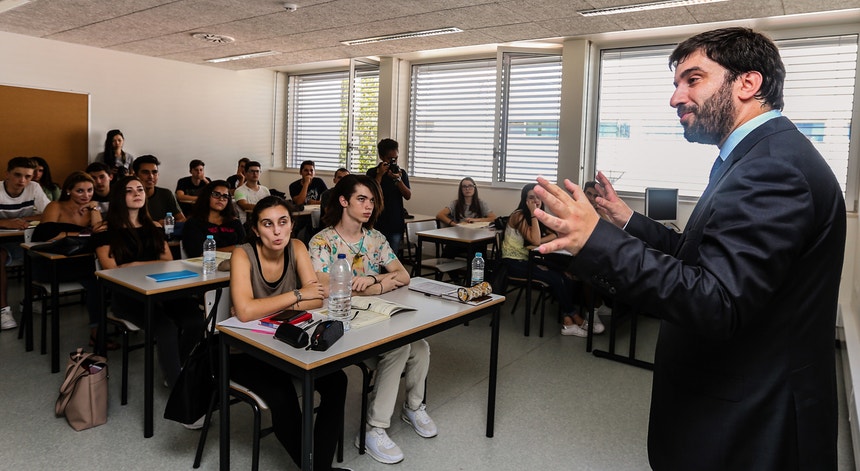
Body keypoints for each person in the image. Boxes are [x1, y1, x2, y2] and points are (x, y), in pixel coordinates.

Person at [532, 27, 845, 470]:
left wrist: (596, 240)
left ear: (747, 83)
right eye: (676, 83)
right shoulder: (755, 157)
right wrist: (626, 221)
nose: (676, 98)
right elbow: (700, 255)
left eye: (692, 80)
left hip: (750, 422)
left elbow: (717, 300)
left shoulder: (772, 168)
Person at [310, 174, 434, 465]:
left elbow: (402, 276)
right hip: (341, 320)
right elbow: (324, 284)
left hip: (377, 313)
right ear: (343, 201)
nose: (369, 206)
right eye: (361, 199)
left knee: (420, 346)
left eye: (372, 201)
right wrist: (377, 282)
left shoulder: (375, 238)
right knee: (400, 348)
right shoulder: (322, 241)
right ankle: (373, 428)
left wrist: (373, 280)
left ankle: (413, 407)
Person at [229, 195, 349, 471]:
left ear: (291, 225)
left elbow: (317, 299)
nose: (276, 231)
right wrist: (297, 295)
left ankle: (317, 466)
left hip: (284, 342)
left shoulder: (296, 247)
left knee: (338, 381)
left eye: (283, 222)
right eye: (267, 224)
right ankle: (318, 469)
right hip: (243, 350)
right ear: (256, 230)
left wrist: (262, 305)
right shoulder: (242, 254)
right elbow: (245, 313)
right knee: (281, 394)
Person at [92, 176, 205, 392]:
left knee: (195, 321)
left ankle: (174, 367)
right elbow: (112, 269)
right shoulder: (105, 230)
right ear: (118, 196)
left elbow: (168, 262)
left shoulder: (153, 226)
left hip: (163, 289)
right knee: (165, 328)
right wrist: (144, 265)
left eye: (140, 190)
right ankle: (178, 391)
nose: (137, 193)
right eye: (129, 190)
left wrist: (134, 263)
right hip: (128, 296)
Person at [501, 183, 600, 337]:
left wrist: (540, 238)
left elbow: (554, 234)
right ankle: (574, 317)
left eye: (538, 197)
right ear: (524, 199)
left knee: (566, 276)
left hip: (529, 260)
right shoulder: (519, 215)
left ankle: (567, 321)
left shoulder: (539, 215)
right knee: (555, 278)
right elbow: (535, 239)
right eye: (531, 198)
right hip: (513, 262)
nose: (535, 201)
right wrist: (534, 215)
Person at [34, 171, 107, 347]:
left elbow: (100, 231)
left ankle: (98, 331)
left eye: (90, 191)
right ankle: (98, 332)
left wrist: (93, 208)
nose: (86, 195)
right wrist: (83, 233)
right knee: (98, 278)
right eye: (80, 191)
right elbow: (47, 234)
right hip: (52, 263)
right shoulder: (55, 206)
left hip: (80, 263)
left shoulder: (91, 209)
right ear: (68, 191)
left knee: (103, 280)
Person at [0, 157, 50, 330]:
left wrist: (21, 219)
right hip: (2, 241)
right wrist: (5, 223)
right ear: (7, 174)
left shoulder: (34, 187)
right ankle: (3, 310)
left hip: (22, 238)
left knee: (39, 253)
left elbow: (50, 213)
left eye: (28, 176)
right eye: (17, 175)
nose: (23, 181)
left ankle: (30, 301)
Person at [367, 139, 411, 253]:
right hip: (376, 222)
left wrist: (398, 179)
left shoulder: (401, 173)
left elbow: (408, 195)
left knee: (391, 257)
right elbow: (371, 194)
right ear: (381, 157)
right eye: (389, 159)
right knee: (373, 256)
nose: (393, 162)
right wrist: (380, 175)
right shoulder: (372, 172)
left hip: (394, 224)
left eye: (395, 158)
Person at [181, 180, 244, 258]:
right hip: (205, 265)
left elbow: (245, 247)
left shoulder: (235, 222)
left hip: (236, 264)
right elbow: (197, 253)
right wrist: (234, 248)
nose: (221, 199)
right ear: (207, 196)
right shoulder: (193, 223)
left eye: (225, 196)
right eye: (216, 194)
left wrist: (215, 251)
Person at [132, 154, 185, 225]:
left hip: (162, 234)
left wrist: (168, 223)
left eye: (154, 172)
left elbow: (182, 219)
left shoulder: (166, 194)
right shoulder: (128, 196)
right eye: (145, 172)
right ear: (135, 175)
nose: (151, 176)